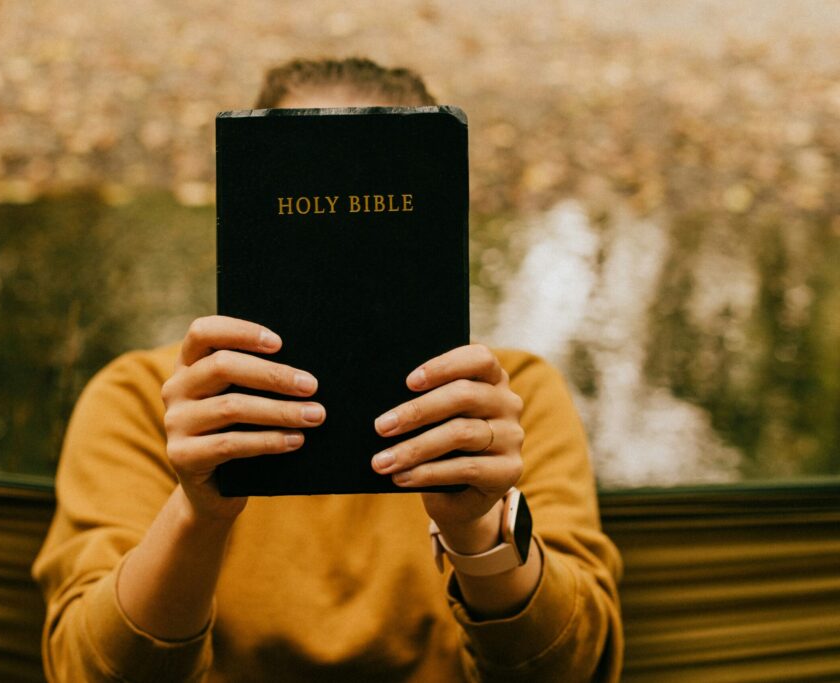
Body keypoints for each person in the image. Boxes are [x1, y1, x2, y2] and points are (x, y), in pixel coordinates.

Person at [32, 57, 623, 682]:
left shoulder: (502, 402)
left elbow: (573, 669)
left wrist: (479, 531)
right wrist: (199, 511)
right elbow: (87, 669)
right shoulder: (145, 401)